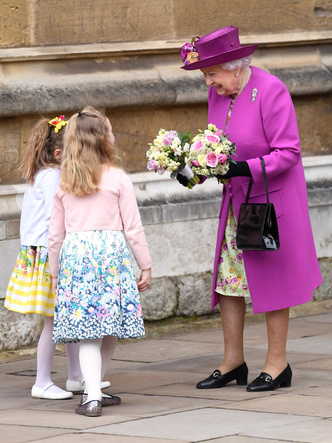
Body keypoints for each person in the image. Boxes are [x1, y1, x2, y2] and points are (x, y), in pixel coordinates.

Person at [178, 26, 323, 391]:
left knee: (273, 282)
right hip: (235, 205)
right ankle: (233, 361)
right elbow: (217, 149)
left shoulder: (270, 89)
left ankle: (277, 364)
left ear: (234, 64)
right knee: (230, 281)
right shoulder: (219, 95)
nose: (208, 81)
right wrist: (194, 171)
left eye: (212, 73)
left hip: (269, 204)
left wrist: (245, 168)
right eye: (205, 75)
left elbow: (288, 152)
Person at [48, 106, 152, 417]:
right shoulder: (118, 178)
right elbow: (133, 227)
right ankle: (93, 393)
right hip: (110, 258)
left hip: (77, 258)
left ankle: (93, 390)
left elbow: (55, 235)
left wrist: (54, 273)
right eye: (110, 130)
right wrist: (145, 263)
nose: (114, 134)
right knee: (106, 329)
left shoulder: (66, 180)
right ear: (103, 140)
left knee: (92, 330)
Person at [4, 115, 106, 399]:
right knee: (53, 321)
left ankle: (76, 376)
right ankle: (42, 381)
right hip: (50, 256)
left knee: (67, 316)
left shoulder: (43, 174)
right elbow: (56, 218)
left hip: (46, 252)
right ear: (59, 154)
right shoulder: (51, 177)